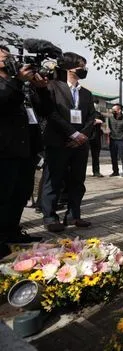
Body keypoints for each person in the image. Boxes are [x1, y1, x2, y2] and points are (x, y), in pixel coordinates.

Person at [0, 45, 48, 255]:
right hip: (4, 149)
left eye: (8, 56)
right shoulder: (10, 83)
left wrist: (40, 87)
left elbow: (44, 110)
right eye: (2, 57)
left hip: (26, 148)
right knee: (3, 195)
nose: (7, 59)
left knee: (20, 193)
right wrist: (17, 81)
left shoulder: (22, 84)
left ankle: (12, 232)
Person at [40, 52, 96, 232]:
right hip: (59, 142)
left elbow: (91, 117)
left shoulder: (86, 93)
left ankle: (74, 215)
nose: (84, 70)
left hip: (80, 145)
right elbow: (51, 113)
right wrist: (72, 134)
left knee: (77, 181)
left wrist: (82, 136)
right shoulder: (52, 87)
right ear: (69, 68)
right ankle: (50, 217)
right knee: (53, 180)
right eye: (81, 66)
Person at [107, 103, 123, 177]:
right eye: (112, 109)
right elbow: (110, 128)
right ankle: (115, 171)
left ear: (119, 110)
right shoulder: (110, 118)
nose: (112, 111)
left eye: (114, 110)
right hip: (113, 139)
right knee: (113, 156)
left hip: (122, 140)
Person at [89, 99, 104, 177]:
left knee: (96, 156)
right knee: (82, 156)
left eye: (96, 103)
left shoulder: (99, 114)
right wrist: (93, 121)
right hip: (87, 136)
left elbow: (103, 123)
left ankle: (96, 171)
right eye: (94, 103)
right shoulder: (86, 113)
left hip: (97, 136)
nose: (95, 105)